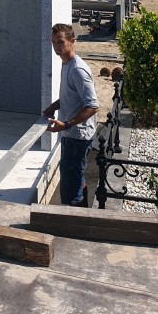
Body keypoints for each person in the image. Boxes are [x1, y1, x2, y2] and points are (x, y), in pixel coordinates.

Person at [43, 23, 99, 206]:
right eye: (53, 42)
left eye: (60, 42)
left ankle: (74, 219)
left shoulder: (77, 70)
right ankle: (83, 215)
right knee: (76, 179)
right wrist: (53, 106)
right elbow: (71, 96)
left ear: (72, 41)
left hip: (78, 138)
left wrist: (66, 124)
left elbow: (92, 106)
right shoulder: (66, 64)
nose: (56, 46)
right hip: (71, 134)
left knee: (70, 191)